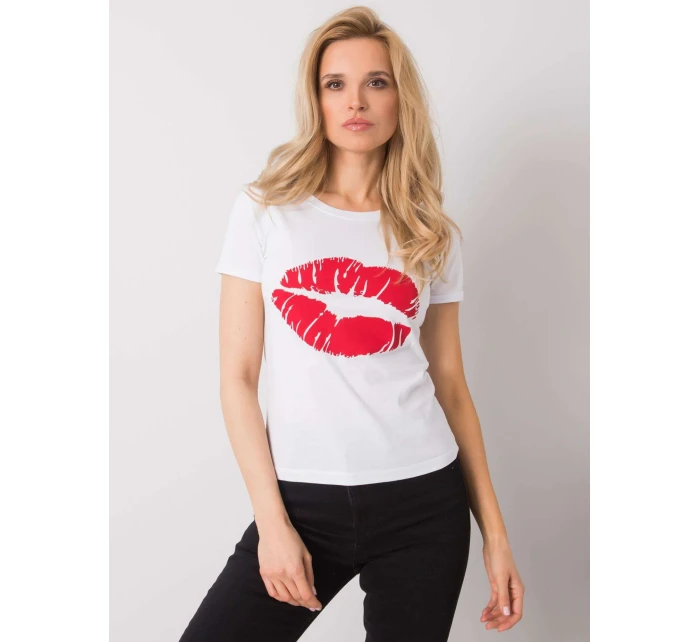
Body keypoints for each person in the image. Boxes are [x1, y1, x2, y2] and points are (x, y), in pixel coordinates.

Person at [179, 6, 524, 641]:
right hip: (302, 503)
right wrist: (273, 525)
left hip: (424, 503)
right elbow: (237, 379)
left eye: (376, 82)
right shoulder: (265, 212)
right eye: (335, 83)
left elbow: (451, 386)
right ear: (315, 100)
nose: (355, 101)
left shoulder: (431, 233)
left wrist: (495, 537)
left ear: (400, 99)